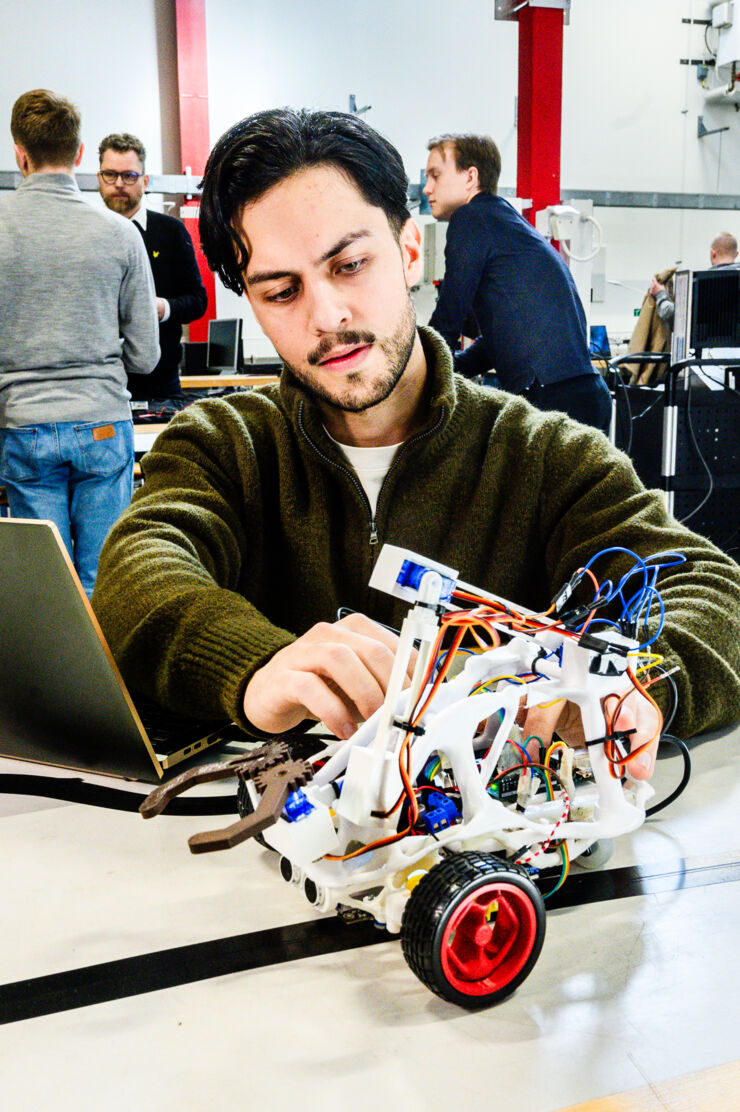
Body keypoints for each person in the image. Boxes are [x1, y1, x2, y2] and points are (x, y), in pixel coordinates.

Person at [92, 108, 740, 783]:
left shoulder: (545, 454)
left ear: (408, 250)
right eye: (281, 291)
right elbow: (138, 574)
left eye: (349, 265)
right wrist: (255, 664)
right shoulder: (223, 445)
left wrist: (626, 680)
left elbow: (713, 593)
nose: (327, 316)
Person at [0, 90, 159, 596]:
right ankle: (108, 676)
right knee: (106, 579)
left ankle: (57, 676)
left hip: (23, 425)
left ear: (19, 154)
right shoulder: (121, 234)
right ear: (78, 154)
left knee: (50, 589)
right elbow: (146, 354)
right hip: (102, 425)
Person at [423, 133, 612, 433]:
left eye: (435, 175)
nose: (426, 188)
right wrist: (455, 367)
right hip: (586, 394)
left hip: (552, 400)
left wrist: (421, 376)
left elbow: (449, 315)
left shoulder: (470, 218)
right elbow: (502, 334)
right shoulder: (505, 220)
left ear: (470, 176)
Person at [98, 132, 208, 411]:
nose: (119, 184)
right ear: (99, 179)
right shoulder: (87, 235)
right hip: (101, 385)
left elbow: (198, 300)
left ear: (145, 181)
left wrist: (163, 308)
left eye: (129, 175)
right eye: (110, 175)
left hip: (161, 384)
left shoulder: (170, 232)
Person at [649, 232, 740, 326]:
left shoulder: (701, 283)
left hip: (706, 340)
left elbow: (677, 318)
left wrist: (660, 294)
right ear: (736, 254)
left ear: (713, 253)